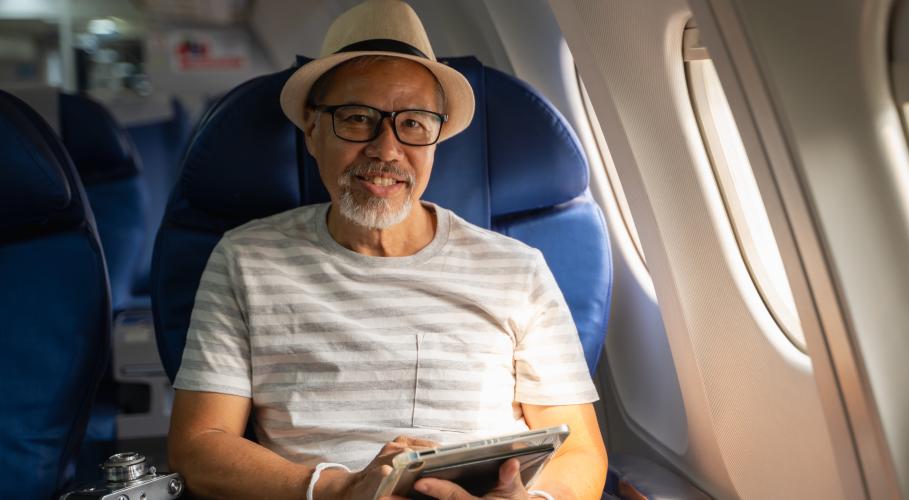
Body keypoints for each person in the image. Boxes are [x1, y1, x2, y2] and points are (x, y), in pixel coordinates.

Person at [166, 1, 607, 498]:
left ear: (436, 139)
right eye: (357, 118)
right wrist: (341, 490)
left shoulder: (517, 271)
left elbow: (580, 452)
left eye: (414, 123)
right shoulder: (244, 259)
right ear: (312, 130)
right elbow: (199, 444)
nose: (386, 149)